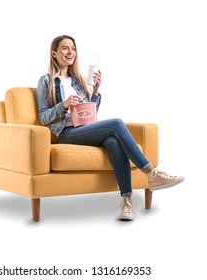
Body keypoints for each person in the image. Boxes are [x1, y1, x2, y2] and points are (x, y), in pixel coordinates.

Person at [36, 35, 184, 220]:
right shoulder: (46, 81)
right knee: (116, 123)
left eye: (73, 49)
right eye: (65, 48)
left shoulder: (79, 80)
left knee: (113, 141)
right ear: (54, 53)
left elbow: (90, 113)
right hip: (66, 134)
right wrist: (63, 105)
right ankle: (151, 173)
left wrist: (96, 91)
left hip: (83, 129)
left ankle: (127, 202)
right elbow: (43, 117)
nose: (70, 52)